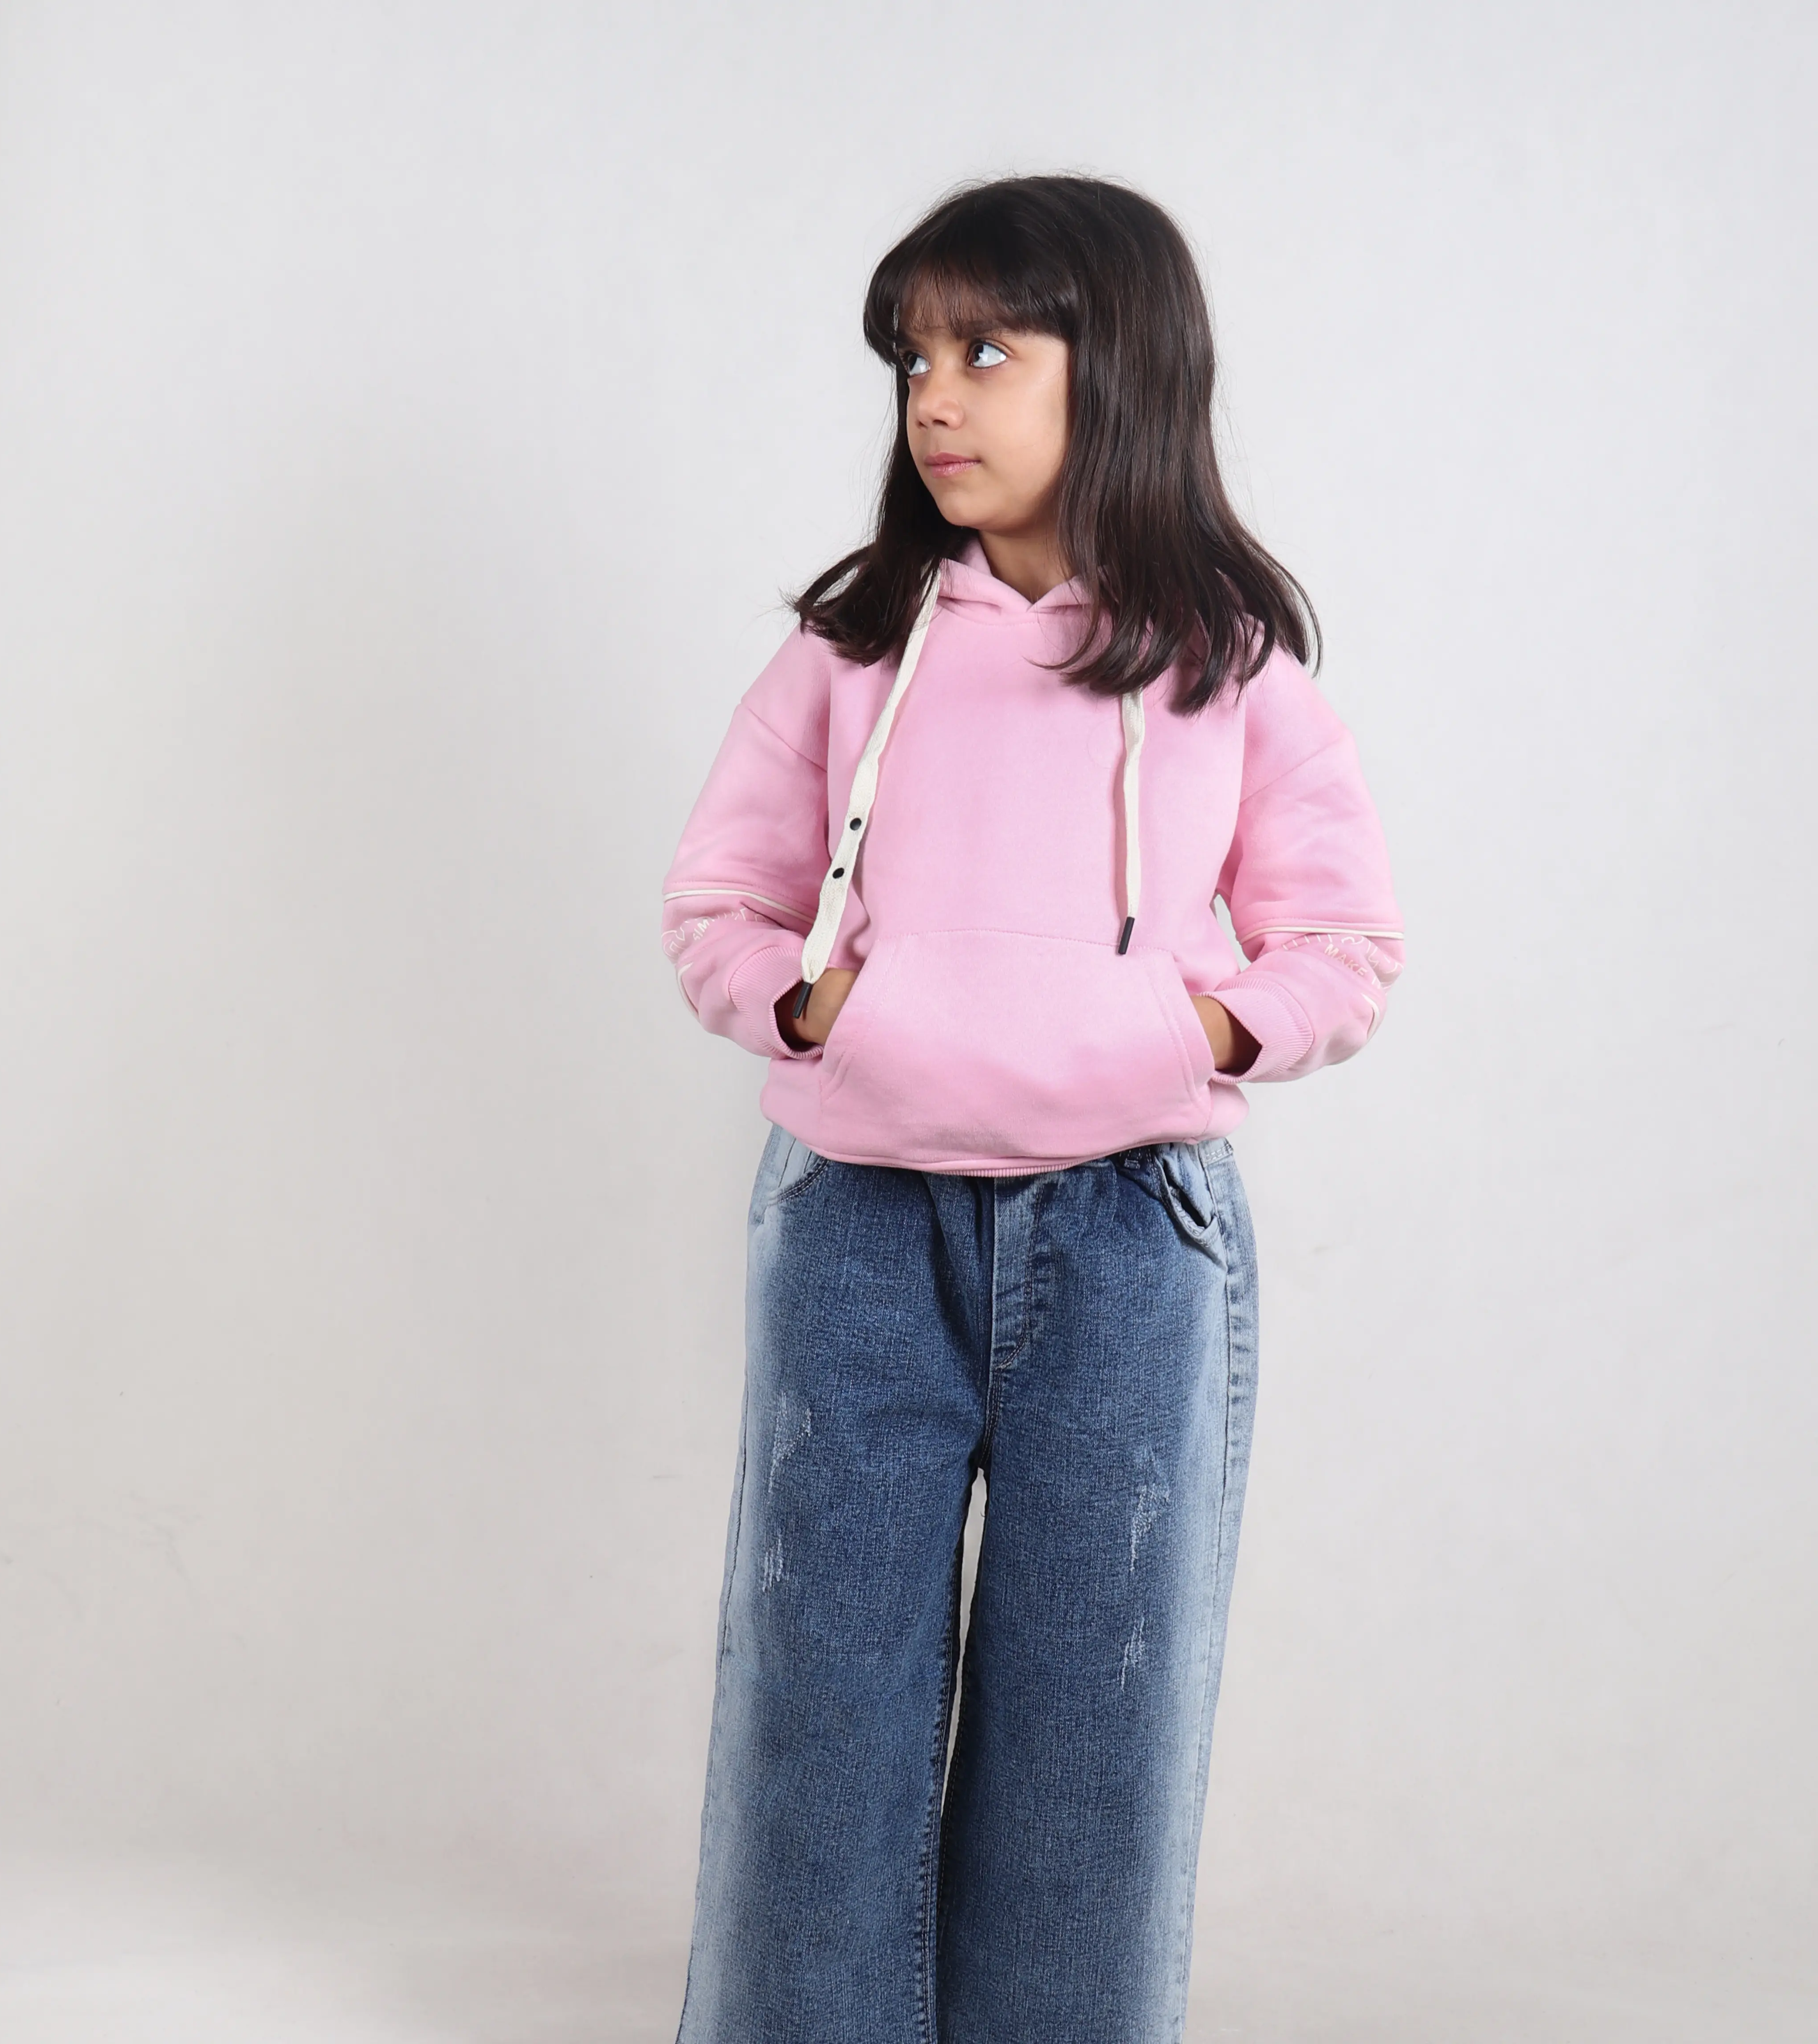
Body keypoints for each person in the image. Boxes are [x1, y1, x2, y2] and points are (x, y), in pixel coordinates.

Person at [659, 173, 1403, 2044]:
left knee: (1095, 1706)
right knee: (820, 1689)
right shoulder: (853, 647)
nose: (934, 397)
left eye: (984, 351)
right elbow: (717, 900)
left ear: (1119, 365)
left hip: (1131, 1228)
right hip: (857, 1214)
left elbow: (1344, 943)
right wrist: (809, 1004)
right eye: (913, 358)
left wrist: (1196, 1032)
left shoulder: (1224, 666)